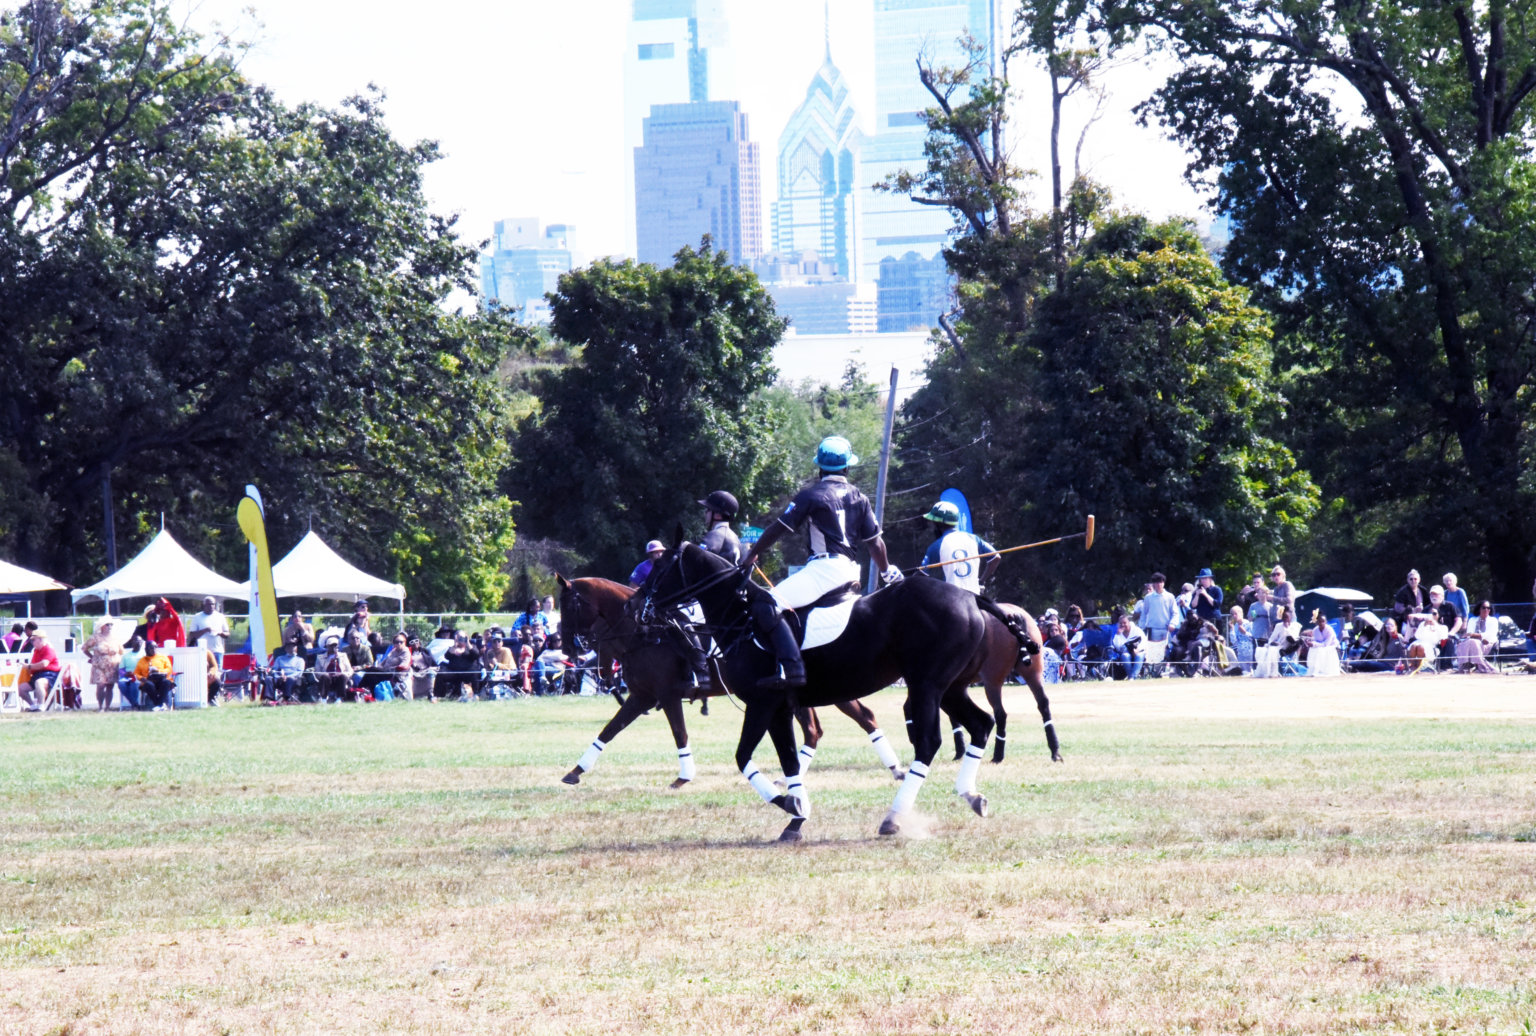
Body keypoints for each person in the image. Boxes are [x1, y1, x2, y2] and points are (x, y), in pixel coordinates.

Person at [738, 435, 900, 690]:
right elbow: (875, 543)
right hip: (850, 570)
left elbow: (778, 529)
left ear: (820, 467)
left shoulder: (810, 495)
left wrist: (752, 554)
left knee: (767, 603)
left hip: (824, 570)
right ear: (847, 467)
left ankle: (790, 669)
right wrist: (888, 571)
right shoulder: (860, 496)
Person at [917, 500, 998, 593]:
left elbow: (922, 574)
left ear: (938, 524)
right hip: (975, 594)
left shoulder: (936, 546)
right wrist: (981, 581)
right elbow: (996, 557)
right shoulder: (974, 539)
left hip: (951, 596)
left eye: (933, 523)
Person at [1133, 573, 1179, 672]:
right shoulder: (1148, 598)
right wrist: (1141, 627)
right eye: (1156, 582)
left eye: (1161, 582)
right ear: (1153, 584)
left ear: (1164, 583)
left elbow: (1175, 613)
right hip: (1152, 629)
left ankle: (1164, 671)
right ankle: (1154, 672)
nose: (1159, 584)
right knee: (1153, 653)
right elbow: (1144, 614)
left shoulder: (1170, 597)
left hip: (1165, 628)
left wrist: (1173, 623)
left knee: (1165, 651)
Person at [83, 618, 123, 712]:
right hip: (99, 664)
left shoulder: (116, 638)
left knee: (110, 686)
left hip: (113, 665)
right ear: (102, 626)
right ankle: (100, 706)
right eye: (107, 624)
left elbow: (121, 651)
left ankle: (108, 707)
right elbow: (85, 648)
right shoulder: (95, 637)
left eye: (111, 624)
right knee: (100, 685)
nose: (109, 627)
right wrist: (92, 657)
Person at [20, 630, 62, 709]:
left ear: (40, 639)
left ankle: (41, 706)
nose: (32, 642)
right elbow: (34, 666)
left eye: (33, 640)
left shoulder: (49, 649)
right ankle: (33, 706)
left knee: (39, 683)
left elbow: (44, 664)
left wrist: (28, 666)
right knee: (21, 688)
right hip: (38, 675)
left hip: (50, 675)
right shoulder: (36, 651)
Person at [698, 490, 743, 564]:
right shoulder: (737, 539)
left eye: (708, 509)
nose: (705, 512)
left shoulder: (715, 535)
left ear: (718, 515)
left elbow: (696, 560)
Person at [1456, 600, 1499, 673]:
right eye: (1484, 608)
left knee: (1472, 642)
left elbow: (1490, 635)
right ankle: (1466, 665)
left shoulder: (1493, 620)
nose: (1486, 610)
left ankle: (1480, 666)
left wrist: (1474, 635)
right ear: (1479, 609)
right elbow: (1469, 634)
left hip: (1488, 643)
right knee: (1464, 643)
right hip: (1472, 642)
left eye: (1488, 608)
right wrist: (1473, 636)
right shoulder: (1472, 620)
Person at [436, 632, 481, 701]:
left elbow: (476, 655)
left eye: (462, 638)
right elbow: (446, 656)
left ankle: (476, 694)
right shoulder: (452, 648)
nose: (461, 640)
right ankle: (438, 695)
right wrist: (455, 645)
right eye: (459, 638)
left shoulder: (471, 646)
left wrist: (467, 643)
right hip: (454, 672)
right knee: (441, 673)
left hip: (468, 672)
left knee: (475, 671)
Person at [187, 596, 229, 667]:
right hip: (203, 651)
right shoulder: (197, 617)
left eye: (213, 604)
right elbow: (192, 635)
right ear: (204, 605)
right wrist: (205, 630)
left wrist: (220, 633)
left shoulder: (220, 616)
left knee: (217, 673)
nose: (211, 606)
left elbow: (227, 634)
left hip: (217, 651)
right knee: (203, 673)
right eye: (208, 604)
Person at [133, 641, 176, 710]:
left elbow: (169, 669)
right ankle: (160, 705)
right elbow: (136, 673)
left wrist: (158, 671)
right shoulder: (142, 660)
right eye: (151, 648)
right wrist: (141, 678)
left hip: (162, 679)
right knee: (148, 685)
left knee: (166, 682)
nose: (154, 649)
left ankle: (158, 705)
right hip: (148, 680)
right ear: (146, 649)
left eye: (155, 647)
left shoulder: (163, 657)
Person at [1305, 609, 1342, 676]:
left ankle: (1323, 670)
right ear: (1317, 622)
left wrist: (1314, 644)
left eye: (1323, 621)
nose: (1321, 623)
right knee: (1312, 650)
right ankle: (1314, 669)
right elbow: (1315, 640)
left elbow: (1326, 644)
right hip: (1321, 646)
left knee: (1320, 650)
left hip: (1332, 645)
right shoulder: (1315, 630)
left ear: (1326, 622)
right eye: (1320, 621)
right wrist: (1310, 643)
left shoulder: (1329, 630)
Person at [317, 636, 354, 702]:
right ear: (327, 646)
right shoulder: (320, 657)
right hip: (327, 678)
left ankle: (339, 699)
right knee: (325, 677)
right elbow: (317, 672)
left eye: (336, 645)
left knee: (342, 677)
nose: (334, 648)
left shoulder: (343, 656)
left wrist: (343, 674)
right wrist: (326, 674)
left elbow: (350, 670)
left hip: (339, 677)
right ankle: (323, 699)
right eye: (332, 646)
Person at [1110, 612, 1145, 681]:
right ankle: (1131, 677)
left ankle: (1132, 677)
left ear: (1128, 622)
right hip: (1125, 652)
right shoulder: (1118, 634)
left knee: (1139, 656)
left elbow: (1144, 641)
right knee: (1125, 656)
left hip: (1138, 651)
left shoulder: (1137, 630)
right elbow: (1117, 647)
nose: (1123, 625)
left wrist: (1138, 649)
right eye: (1121, 623)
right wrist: (1118, 634)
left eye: (1124, 622)